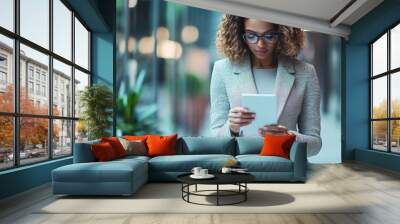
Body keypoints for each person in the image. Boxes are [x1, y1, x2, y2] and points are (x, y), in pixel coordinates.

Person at [209, 15, 322, 157]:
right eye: (251, 36)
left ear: (282, 33)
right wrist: (231, 128)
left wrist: (288, 138)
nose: (260, 44)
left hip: (285, 169)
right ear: (239, 33)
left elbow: (315, 144)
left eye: (269, 36)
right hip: (240, 168)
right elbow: (214, 139)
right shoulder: (222, 70)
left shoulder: (305, 72)